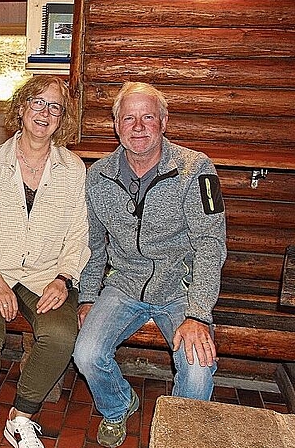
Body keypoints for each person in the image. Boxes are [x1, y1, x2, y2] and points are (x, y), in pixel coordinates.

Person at [72, 81, 227, 447]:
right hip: (124, 284)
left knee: (198, 368)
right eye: (129, 118)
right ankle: (118, 406)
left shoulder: (196, 169)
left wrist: (199, 314)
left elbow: (210, 244)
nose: (138, 127)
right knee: (87, 353)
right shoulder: (98, 176)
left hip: (181, 291)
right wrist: (87, 297)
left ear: (164, 121)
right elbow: (94, 244)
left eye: (148, 117)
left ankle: (181, 437)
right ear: (116, 125)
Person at [0, 75, 91, 448]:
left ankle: (21, 415)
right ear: (21, 108)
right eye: (37, 103)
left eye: (55, 107)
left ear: (63, 118)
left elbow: (79, 235)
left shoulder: (74, 169)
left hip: (46, 274)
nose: (45, 113)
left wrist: (64, 278)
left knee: (62, 335)